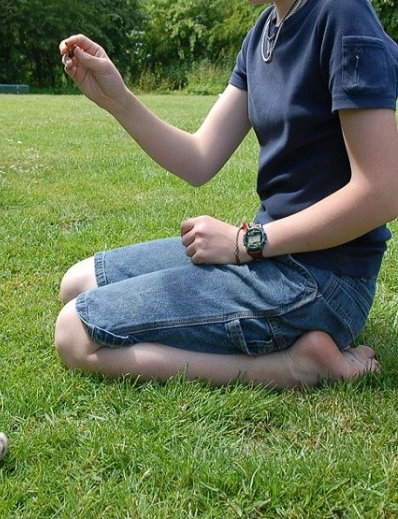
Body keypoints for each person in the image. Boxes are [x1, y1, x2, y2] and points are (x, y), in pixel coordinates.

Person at [55, 0, 398, 389]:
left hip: (325, 281)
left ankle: (295, 366)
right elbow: (199, 158)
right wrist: (117, 98)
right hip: (272, 257)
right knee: (77, 282)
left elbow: (382, 192)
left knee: (75, 333)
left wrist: (245, 242)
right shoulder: (264, 32)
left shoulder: (344, 15)